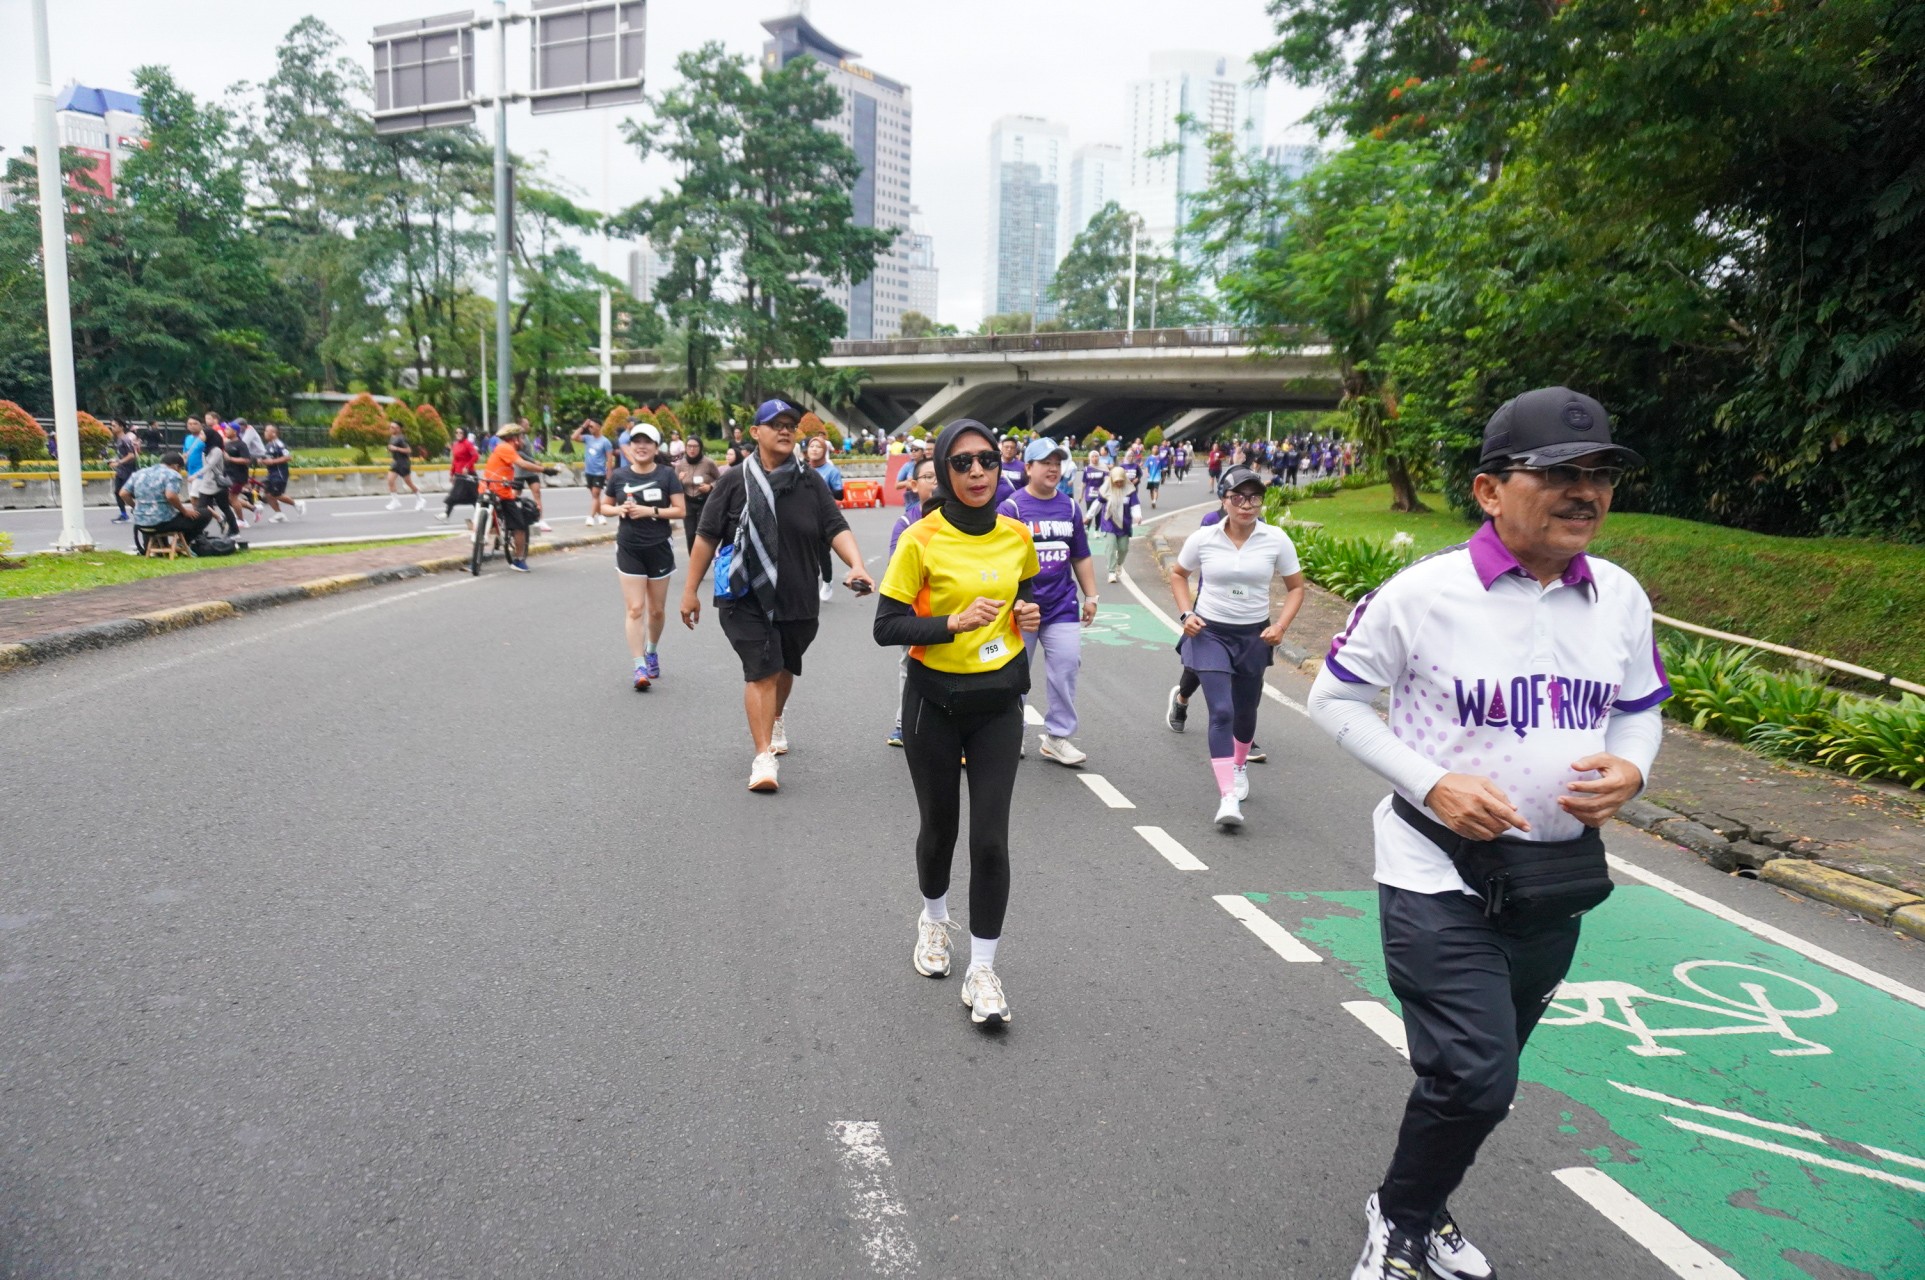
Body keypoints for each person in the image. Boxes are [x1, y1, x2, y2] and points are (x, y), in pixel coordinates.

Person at [1307, 388, 1666, 1280]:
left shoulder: (1619, 597)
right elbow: (1334, 698)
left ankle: (1423, 1207)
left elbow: (1638, 709)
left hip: (1553, 882)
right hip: (1436, 874)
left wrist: (1632, 768)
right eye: (1558, 473)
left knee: (1479, 1083)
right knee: (1476, 1076)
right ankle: (1397, 1223)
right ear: (1489, 489)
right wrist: (1431, 783)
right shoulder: (1422, 594)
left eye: (1601, 475)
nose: (1585, 492)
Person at [874, 418, 1041, 1025]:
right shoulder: (920, 539)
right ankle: (934, 919)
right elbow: (886, 626)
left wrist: (1026, 615)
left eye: (988, 460)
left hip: (998, 702)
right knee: (940, 827)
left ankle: (983, 970)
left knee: (991, 838)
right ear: (944, 471)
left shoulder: (1017, 535)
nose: (977, 472)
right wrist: (952, 623)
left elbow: (1025, 599)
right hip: (934, 704)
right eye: (963, 462)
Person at [682, 399, 874, 792]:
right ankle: (762, 757)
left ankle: (776, 716)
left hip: (797, 594)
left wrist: (857, 564)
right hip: (744, 595)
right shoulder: (734, 481)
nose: (785, 430)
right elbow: (706, 536)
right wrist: (690, 591)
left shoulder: (809, 481)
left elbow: (835, 526)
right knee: (762, 669)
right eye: (776, 424)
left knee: (784, 664)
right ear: (756, 432)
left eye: (790, 425)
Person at [1168, 466, 1307, 828]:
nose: (1247, 505)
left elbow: (1296, 587)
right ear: (1224, 500)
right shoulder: (1204, 537)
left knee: (1246, 711)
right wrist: (1186, 614)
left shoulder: (1276, 539)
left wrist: (1280, 626)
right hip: (1210, 632)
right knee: (1222, 711)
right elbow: (1178, 574)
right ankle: (1228, 797)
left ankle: (1240, 765)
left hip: (1254, 636)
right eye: (1238, 498)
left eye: (1254, 498)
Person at [998, 437, 1099, 766]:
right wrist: (1009, 603)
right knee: (1014, 676)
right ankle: (1010, 733)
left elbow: (1080, 555)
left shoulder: (1069, 507)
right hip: (1021, 610)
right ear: (1028, 467)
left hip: (1061, 606)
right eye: (1045, 463)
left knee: (1067, 667)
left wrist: (1091, 596)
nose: (1053, 468)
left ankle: (1057, 737)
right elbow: (997, 561)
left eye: (1057, 463)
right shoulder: (1011, 509)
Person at [602, 423, 685, 689]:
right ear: (630, 446)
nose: (641, 446)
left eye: (647, 442)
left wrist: (650, 511)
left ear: (656, 447)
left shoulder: (667, 475)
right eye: (636, 441)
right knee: (635, 608)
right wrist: (619, 510)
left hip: (659, 547)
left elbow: (680, 510)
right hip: (629, 548)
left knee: (656, 610)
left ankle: (651, 651)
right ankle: (639, 667)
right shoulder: (619, 476)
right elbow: (604, 506)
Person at [886, 454, 940, 747]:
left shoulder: (964, 518)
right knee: (910, 667)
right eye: (929, 477)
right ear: (915, 485)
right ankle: (902, 724)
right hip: (915, 615)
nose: (936, 482)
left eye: (940, 476)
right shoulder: (907, 522)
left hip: (955, 611)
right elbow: (899, 571)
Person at [481, 424, 555, 571]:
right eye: (521, 438)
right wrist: (545, 470)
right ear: (514, 438)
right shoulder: (506, 447)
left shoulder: (503, 448)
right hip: (501, 493)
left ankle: (477, 555)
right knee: (519, 525)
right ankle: (519, 560)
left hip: (486, 489)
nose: (523, 441)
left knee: (485, 522)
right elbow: (522, 464)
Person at [121, 452, 214, 548]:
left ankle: (157, 546)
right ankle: (181, 544)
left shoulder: (139, 473)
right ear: (176, 466)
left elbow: (123, 493)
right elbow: (170, 496)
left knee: (163, 515)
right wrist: (185, 511)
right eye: (180, 469)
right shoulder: (172, 474)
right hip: (162, 523)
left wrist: (135, 507)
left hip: (141, 524)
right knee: (205, 514)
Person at [674, 437, 722, 557]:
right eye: (689, 446)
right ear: (685, 448)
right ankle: (693, 560)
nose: (692, 449)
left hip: (704, 501)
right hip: (687, 502)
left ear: (700, 448)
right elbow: (673, 485)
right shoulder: (680, 464)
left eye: (695, 446)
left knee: (702, 533)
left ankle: (705, 559)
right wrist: (679, 480)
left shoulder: (708, 463)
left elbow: (720, 480)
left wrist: (710, 486)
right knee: (690, 534)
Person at [191, 427, 239, 536]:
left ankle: (234, 530)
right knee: (201, 508)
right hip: (206, 483)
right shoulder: (206, 450)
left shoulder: (217, 450)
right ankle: (200, 531)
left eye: (202, 434)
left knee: (225, 507)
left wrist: (196, 475)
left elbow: (210, 465)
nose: (200, 436)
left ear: (209, 436)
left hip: (217, 483)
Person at [1093, 466, 1137, 584]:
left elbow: (1135, 504)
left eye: (1121, 481)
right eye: (1116, 481)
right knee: (1111, 546)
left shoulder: (1130, 490)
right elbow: (1098, 504)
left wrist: (1138, 515)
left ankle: (1119, 564)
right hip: (1109, 522)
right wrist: (1089, 516)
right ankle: (1111, 572)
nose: (1118, 484)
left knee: (1123, 548)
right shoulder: (1106, 489)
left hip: (1124, 524)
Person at [258, 425, 306, 522]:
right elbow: (267, 458)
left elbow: (288, 457)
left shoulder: (279, 444)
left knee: (275, 494)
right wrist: (261, 461)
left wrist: (273, 461)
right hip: (271, 473)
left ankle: (297, 504)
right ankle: (279, 514)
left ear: (273, 433)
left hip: (279, 474)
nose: (265, 433)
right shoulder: (268, 445)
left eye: (267, 431)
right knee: (267, 494)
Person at [573, 416, 613, 526]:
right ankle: (600, 515)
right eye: (589, 427)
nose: (590, 428)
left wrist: (609, 472)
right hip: (589, 472)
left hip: (599, 472)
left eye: (592, 426)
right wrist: (583, 426)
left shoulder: (605, 442)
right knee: (595, 496)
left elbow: (609, 458)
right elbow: (574, 437)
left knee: (595, 494)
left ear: (598, 427)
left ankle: (590, 517)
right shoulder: (587, 438)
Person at [516, 418, 554, 532]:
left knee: (537, 492)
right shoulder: (516, 438)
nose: (529, 426)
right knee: (515, 495)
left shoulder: (526, 437)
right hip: (519, 471)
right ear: (520, 425)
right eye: (527, 424)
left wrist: (533, 462)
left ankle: (540, 519)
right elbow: (518, 453)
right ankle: (515, 519)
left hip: (530, 471)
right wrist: (533, 461)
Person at [440, 428, 480, 522]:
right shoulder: (455, 444)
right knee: (457, 494)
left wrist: (467, 467)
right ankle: (446, 514)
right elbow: (455, 460)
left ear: (464, 434)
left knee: (474, 497)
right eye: (456, 432)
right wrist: (452, 473)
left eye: (460, 432)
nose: (458, 434)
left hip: (469, 474)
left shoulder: (467, 444)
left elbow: (475, 456)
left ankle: (480, 517)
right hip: (459, 474)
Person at [385, 420, 424, 510]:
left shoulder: (401, 438)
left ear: (398, 429)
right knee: (390, 480)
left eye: (393, 427)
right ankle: (395, 501)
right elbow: (392, 448)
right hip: (395, 462)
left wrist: (396, 448)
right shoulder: (392, 437)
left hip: (403, 463)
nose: (390, 429)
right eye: (390, 427)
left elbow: (408, 450)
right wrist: (390, 449)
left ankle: (420, 499)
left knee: (408, 482)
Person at [110, 419, 141, 522]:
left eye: (114, 426)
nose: (112, 428)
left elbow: (131, 455)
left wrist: (118, 462)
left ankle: (138, 509)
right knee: (118, 492)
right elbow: (122, 455)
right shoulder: (119, 440)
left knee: (129, 493)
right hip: (121, 471)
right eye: (111, 426)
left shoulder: (125, 439)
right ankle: (124, 514)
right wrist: (115, 460)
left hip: (128, 471)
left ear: (121, 427)